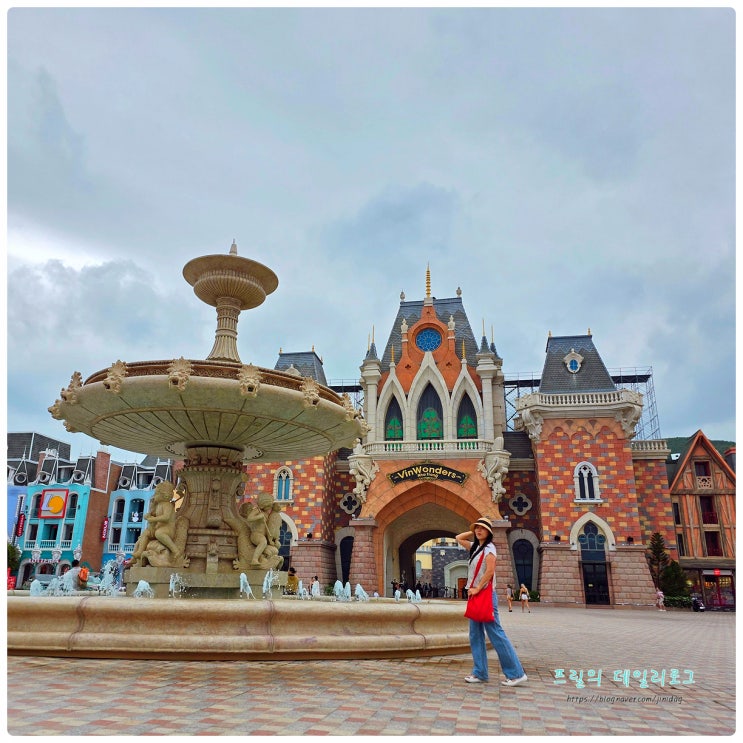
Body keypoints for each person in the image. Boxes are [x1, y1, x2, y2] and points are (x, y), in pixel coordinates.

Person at [456, 516, 528, 687]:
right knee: (475, 635)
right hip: (475, 596)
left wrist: (477, 588)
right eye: (477, 528)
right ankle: (480, 672)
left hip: (485, 595)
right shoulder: (475, 547)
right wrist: (473, 530)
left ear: (489, 532)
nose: (479, 530)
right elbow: (459, 538)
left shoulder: (490, 548)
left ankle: (516, 673)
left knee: (495, 633)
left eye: (483, 528)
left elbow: (489, 571)